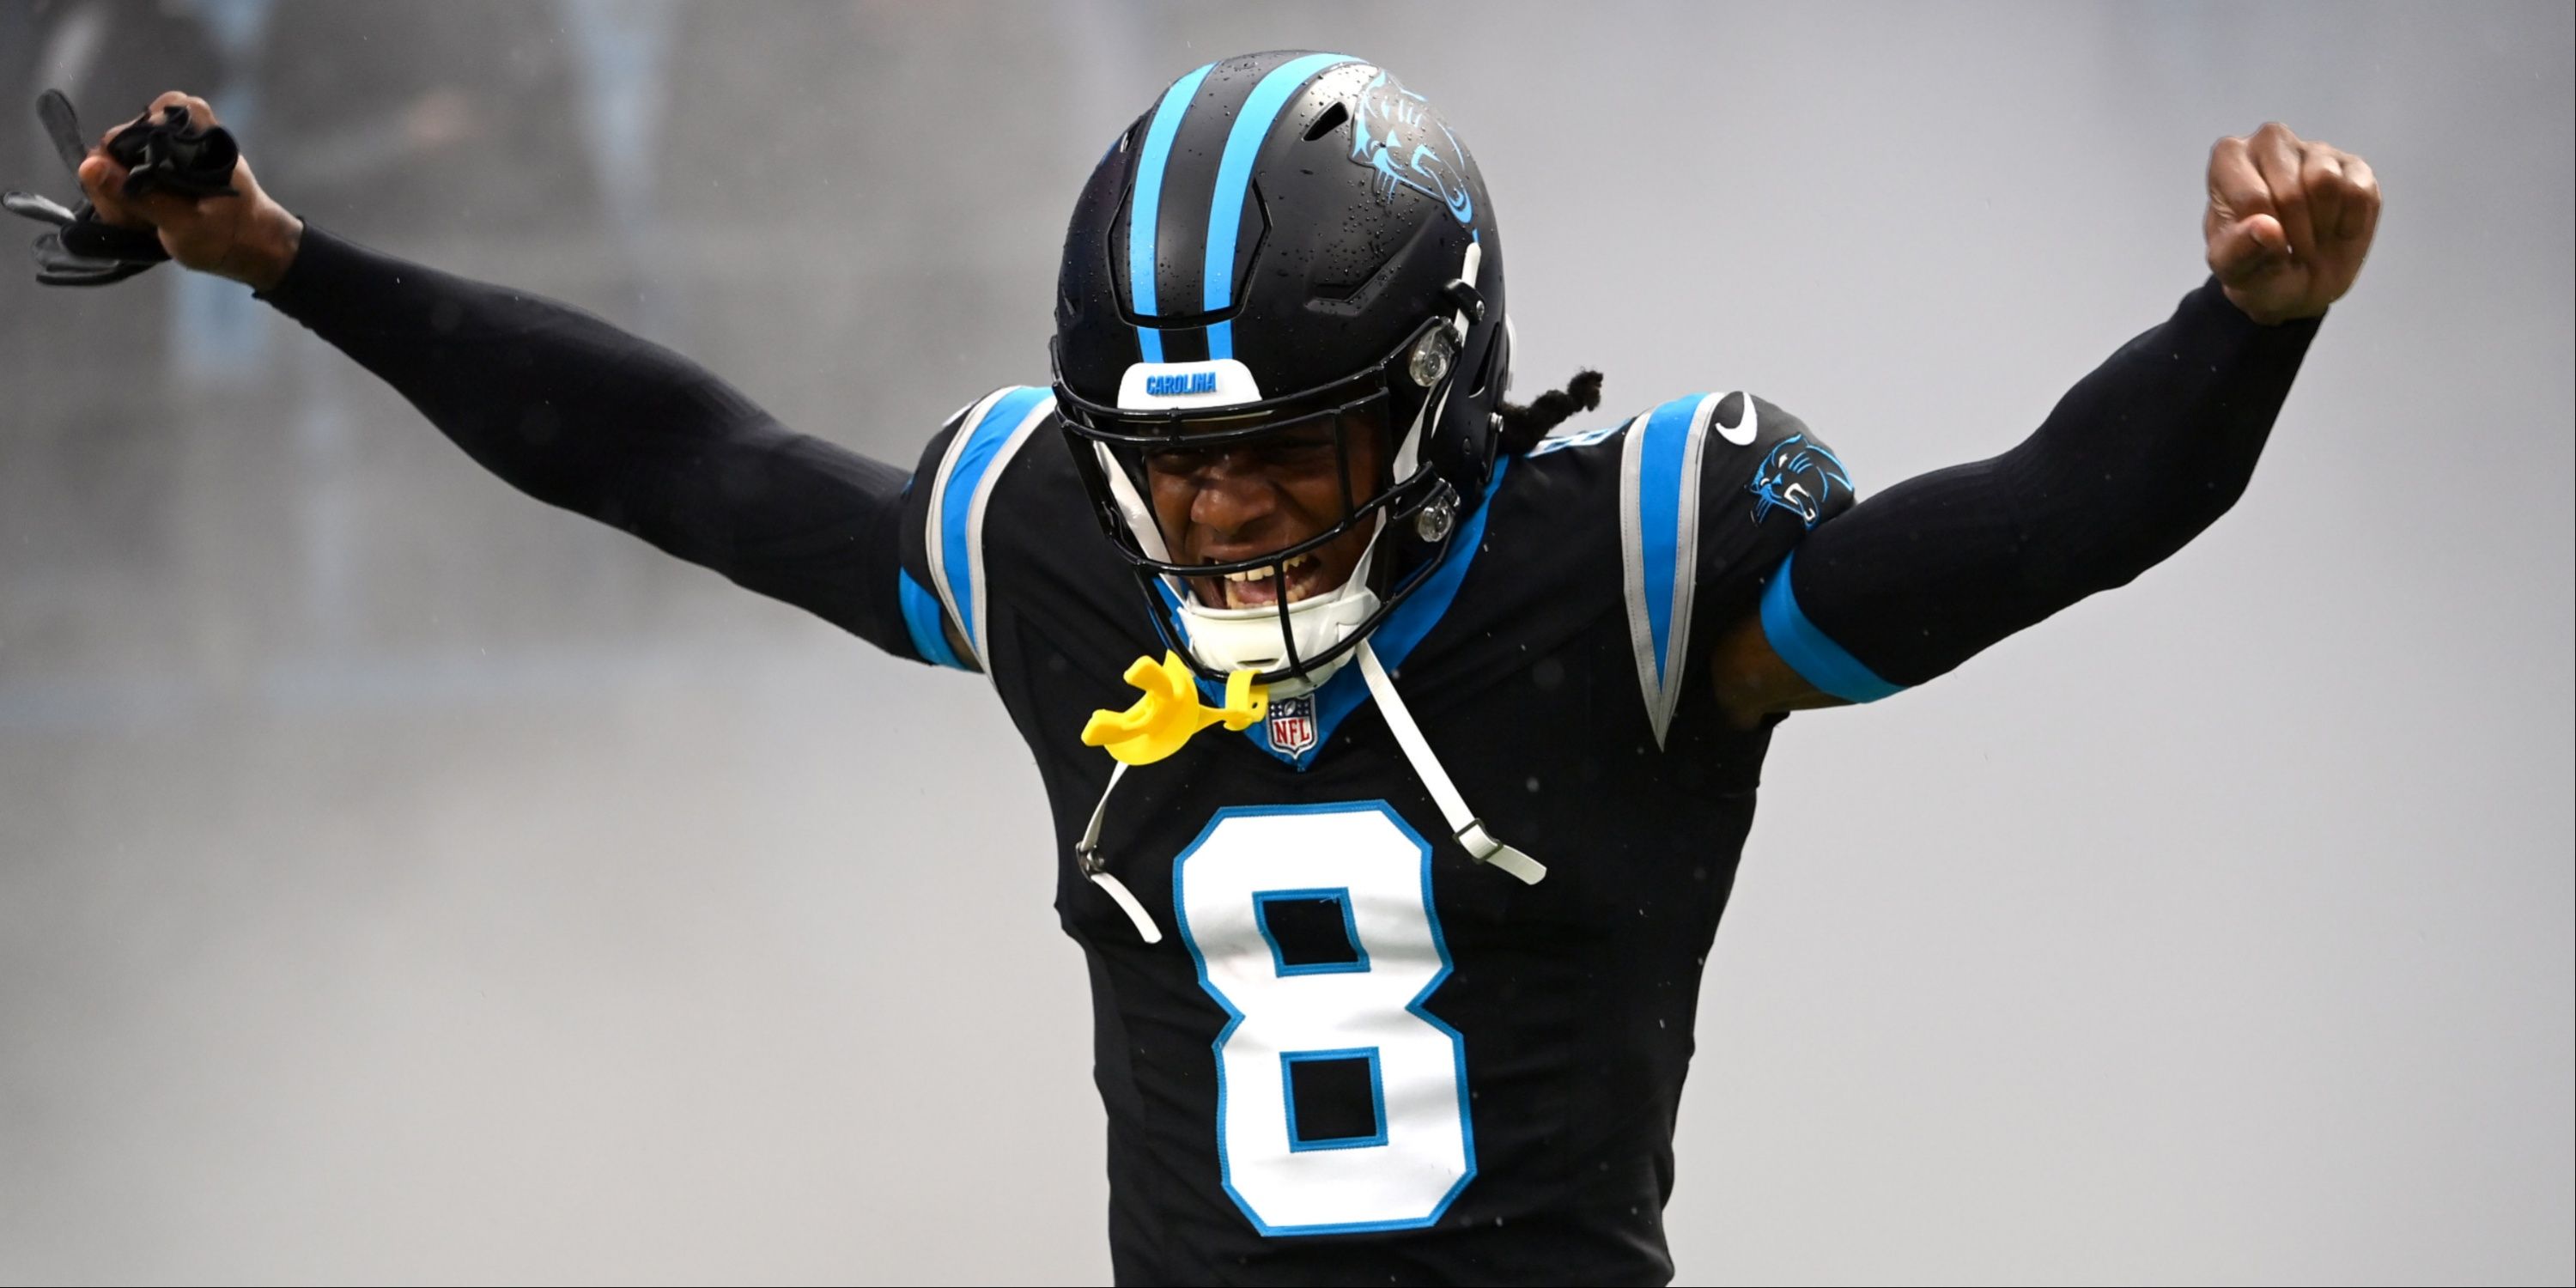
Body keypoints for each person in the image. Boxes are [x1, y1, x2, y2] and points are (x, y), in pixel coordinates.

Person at [26, 51, 2377, 1285]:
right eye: (1181, 459)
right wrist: (283, 259)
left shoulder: (1636, 573)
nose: (1224, 508)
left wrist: (2238, 337)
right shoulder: (1061, 542)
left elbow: (2049, 521)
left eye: (1288, 448)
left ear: (1450, 391)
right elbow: (682, 461)